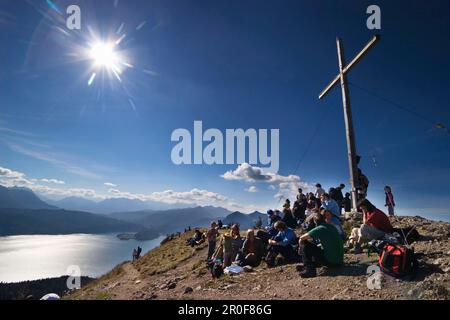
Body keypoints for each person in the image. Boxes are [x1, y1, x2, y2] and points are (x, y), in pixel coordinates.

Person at [298, 213, 344, 278]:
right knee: (314, 245)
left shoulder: (320, 228)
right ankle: (310, 265)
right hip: (339, 261)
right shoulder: (331, 226)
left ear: (315, 221)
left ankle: (309, 270)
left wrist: (300, 248)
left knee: (304, 243)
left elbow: (301, 238)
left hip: (331, 262)